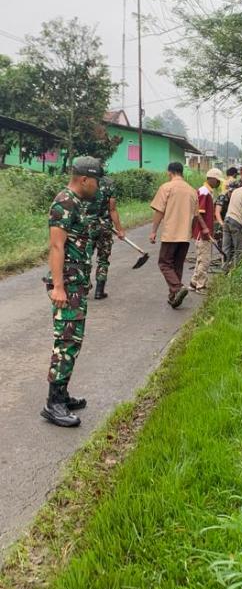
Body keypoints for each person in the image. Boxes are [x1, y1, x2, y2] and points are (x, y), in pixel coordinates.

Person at [42, 156, 102, 427]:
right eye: (96, 180)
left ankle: (62, 394)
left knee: (73, 340)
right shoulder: (64, 202)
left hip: (76, 283)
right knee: (66, 341)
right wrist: (58, 287)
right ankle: (53, 403)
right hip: (67, 284)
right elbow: (57, 247)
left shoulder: (77, 203)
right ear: (84, 179)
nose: (98, 186)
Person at [149, 162, 198, 308]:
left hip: (171, 234)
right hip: (185, 235)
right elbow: (196, 217)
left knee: (164, 263)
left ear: (170, 172)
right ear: (181, 172)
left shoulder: (166, 187)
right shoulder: (192, 191)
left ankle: (177, 288)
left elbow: (159, 211)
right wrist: (191, 232)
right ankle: (173, 296)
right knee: (177, 265)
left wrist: (153, 231)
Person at [88, 173, 125, 300]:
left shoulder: (84, 182)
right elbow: (112, 209)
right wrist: (119, 229)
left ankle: (85, 285)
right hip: (105, 227)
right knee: (103, 259)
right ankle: (99, 291)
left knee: (85, 256)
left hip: (87, 227)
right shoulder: (109, 183)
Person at [190, 168, 224, 293]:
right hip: (202, 233)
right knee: (205, 260)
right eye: (218, 181)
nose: (219, 184)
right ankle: (201, 285)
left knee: (200, 259)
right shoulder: (204, 192)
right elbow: (199, 213)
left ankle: (194, 282)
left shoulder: (208, 191)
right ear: (212, 179)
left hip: (204, 231)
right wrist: (205, 230)